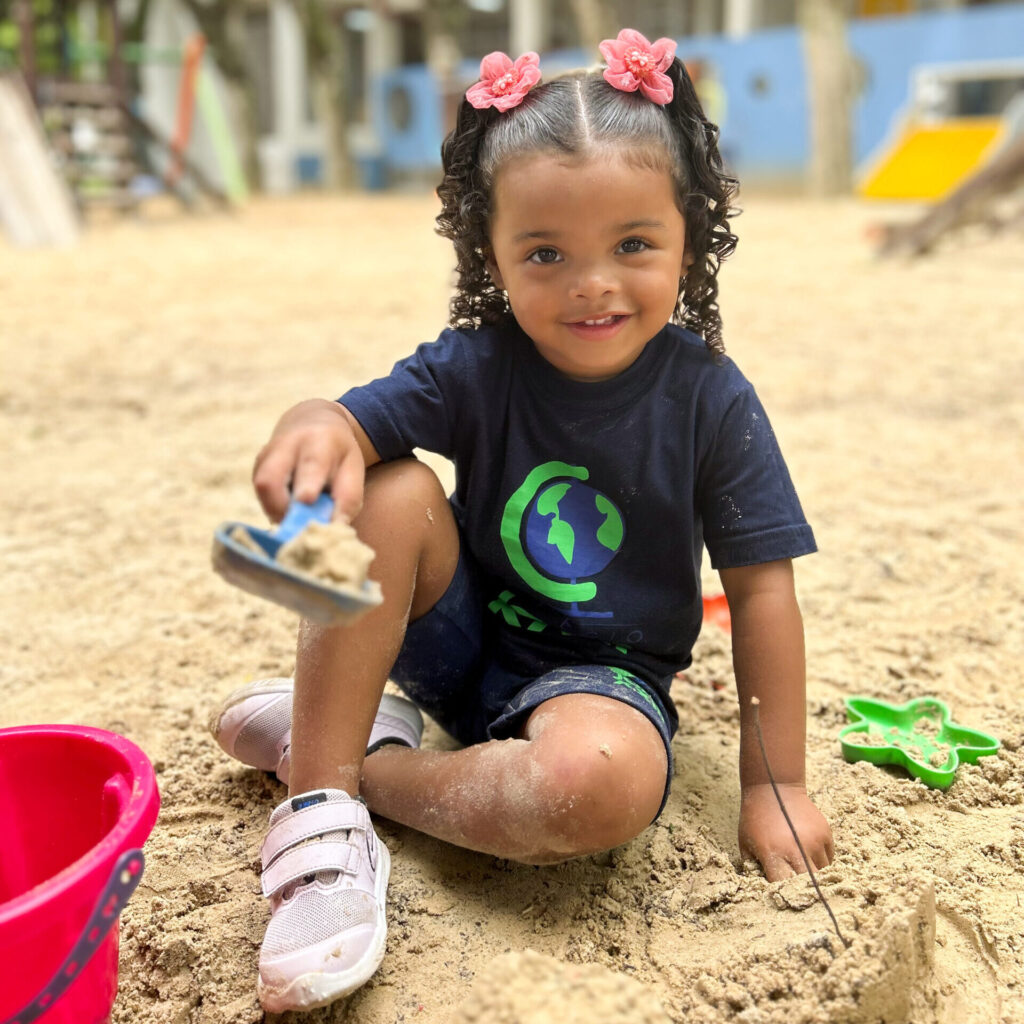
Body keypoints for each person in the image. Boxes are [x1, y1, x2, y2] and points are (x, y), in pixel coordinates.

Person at [210, 30, 834, 1015]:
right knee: (391, 484)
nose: (591, 282)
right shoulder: (478, 363)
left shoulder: (709, 399)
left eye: (633, 244)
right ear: (490, 253)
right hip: (461, 638)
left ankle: (359, 761)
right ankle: (320, 813)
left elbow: (760, 590)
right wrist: (311, 426)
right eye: (545, 252)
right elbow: (348, 420)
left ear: (691, 234)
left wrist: (775, 784)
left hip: (604, 677)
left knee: (603, 785)